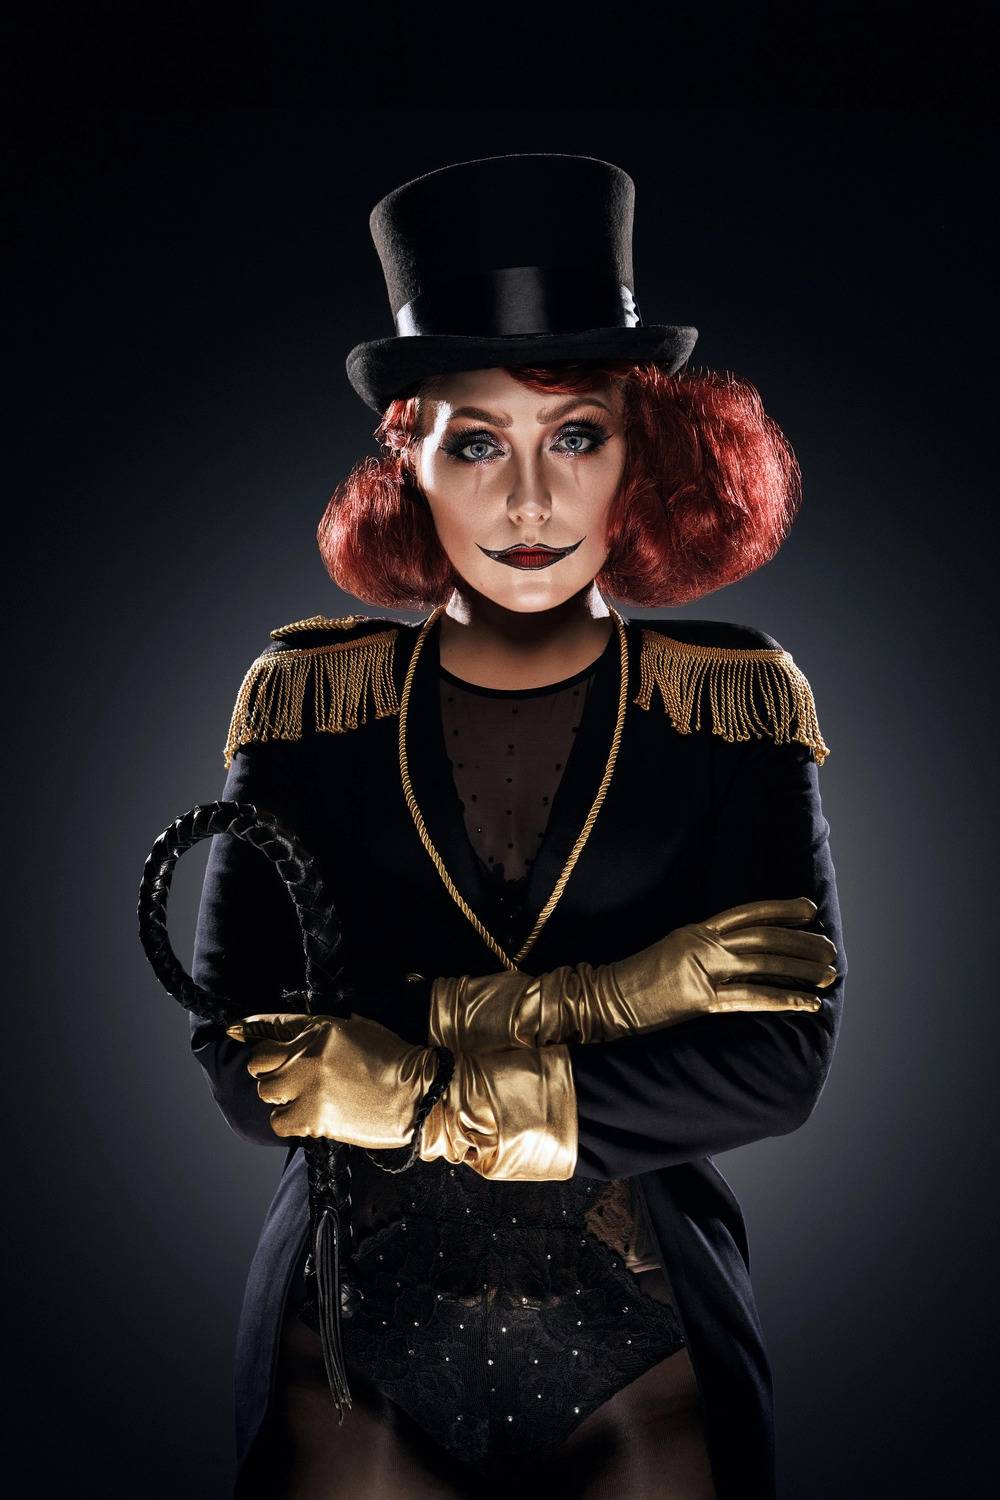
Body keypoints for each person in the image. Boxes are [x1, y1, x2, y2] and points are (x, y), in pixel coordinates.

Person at [190, 154, 846, 1499]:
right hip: (345, 1336)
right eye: (478, 442)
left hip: (649, 1338)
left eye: (577, 437)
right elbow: (247, 1056)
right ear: (409, 460)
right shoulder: (306, 702)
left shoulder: (735, 704)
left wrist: (414, 1087)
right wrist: (629, 995)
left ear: (644, 455)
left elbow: (779, 1066)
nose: (531, 503)